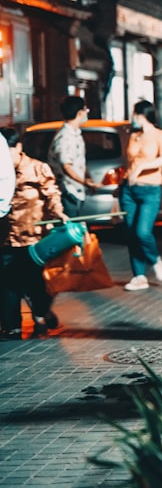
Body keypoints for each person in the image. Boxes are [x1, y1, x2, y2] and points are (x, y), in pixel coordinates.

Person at [1, 127, 68, 339]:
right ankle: (12, 327)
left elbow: (52, 196)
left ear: (18, 148)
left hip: (34, 239)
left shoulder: (38, 169)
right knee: (8, 284)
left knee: (36, 282)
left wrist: (59, 214)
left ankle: (41, 314)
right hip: (6, 238)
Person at [120, 100, 162, 291]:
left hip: (150, 190)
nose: (132, 118)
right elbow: (129, 162)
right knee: (131, 234)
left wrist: (143, 167)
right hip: (129, 190)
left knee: (142, 232)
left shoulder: (160, 135)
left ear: (142, 115)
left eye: (134, 114)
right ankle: (139, 276)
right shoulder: (134, 136)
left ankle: (155, 260)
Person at [47, 95, 97, 218]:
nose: (87, 113)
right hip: (67, 191)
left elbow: (79, 161)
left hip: (76, 190)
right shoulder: (65, 137)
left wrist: (86, 179)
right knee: (70, 230)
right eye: (86, 110)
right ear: (80, 113)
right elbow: (67, 167)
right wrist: (85, 182)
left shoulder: (75, 134)